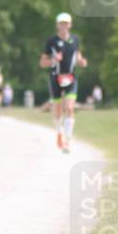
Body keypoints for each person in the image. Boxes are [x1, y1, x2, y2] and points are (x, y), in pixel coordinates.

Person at [39, 12, 88, 153]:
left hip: (71, 78)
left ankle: (67, 140)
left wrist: (82, 61)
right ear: (57, 25)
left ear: (70, 25)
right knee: (58, 111)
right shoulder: (51, 42)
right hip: (55, 77)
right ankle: (59, 131)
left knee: (70, 108)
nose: (64, 26)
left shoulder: (75, 40)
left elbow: (78, 56)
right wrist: (53, 61)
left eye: (66, 23)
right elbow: (42, 63)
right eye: (61, 23)